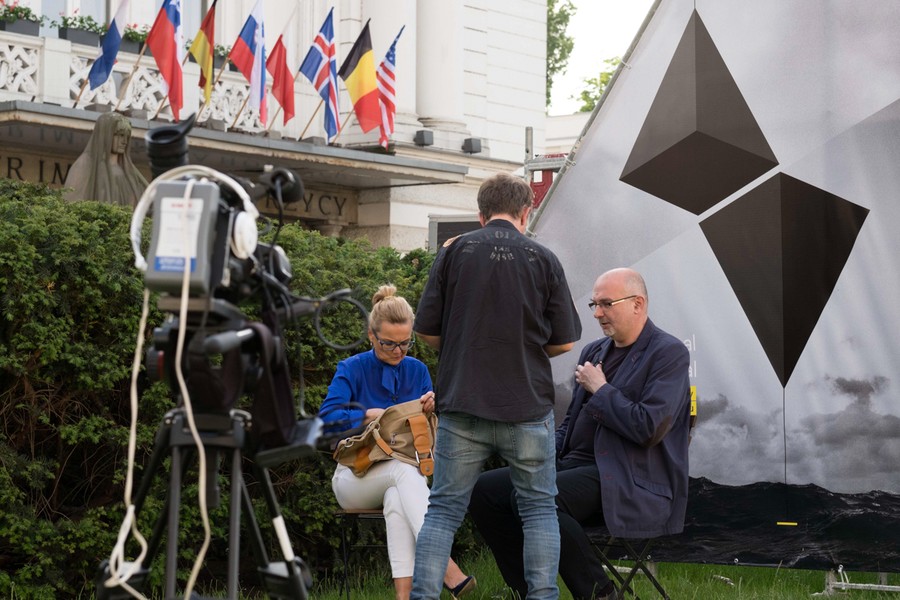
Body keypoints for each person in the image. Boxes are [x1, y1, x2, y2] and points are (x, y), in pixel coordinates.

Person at [469, 268, 692, 600]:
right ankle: (526, 590)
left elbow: (648, 429)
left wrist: (601, 389)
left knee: (536, 497)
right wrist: (541, 452)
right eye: (594, 304)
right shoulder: (594, 352)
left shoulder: (667, 353)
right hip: (577, 465)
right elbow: (572, 421)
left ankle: (599, 593)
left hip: (629, 475)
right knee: (484, 490)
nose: (598, 313)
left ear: (637, 303)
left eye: (606, 303)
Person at [410, 172, 583, 600]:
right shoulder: (544, 259)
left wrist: (464, 346)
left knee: (444, 511)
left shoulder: (454, 253)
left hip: (462, 406)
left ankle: (423, 596)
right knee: (539, 509)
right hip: (526, 408)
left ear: (480, 214)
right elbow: (564, 340)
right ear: (526, 213)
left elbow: (427, 331)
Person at [319, 284, 475, 600]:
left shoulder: (417, 370)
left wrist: (432, 410)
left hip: (403, 476)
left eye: (406, 343)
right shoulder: (352, 368)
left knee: (398, 497)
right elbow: (326, 420)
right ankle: (444, 565)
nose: (399, 351)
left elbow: (428, 436)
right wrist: (368, 414)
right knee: (405, 473)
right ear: (371, 335)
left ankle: (404, 598)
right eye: (389, 343)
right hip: (354, 478)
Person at [64, 111, 148, 207]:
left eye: (127, 136)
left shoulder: (129, 171)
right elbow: (71, 203)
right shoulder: (86, 163)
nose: (124, 141)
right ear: (105, 134)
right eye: (120, 135)